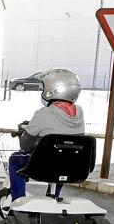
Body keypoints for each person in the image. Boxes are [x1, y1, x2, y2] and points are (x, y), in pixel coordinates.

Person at [9, 68, 85, 201]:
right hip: (72, 167)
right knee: (64, 157)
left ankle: (18, 201)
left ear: (53, 89)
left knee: (15, 160)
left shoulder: (44, 113)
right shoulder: (79, 112)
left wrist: (28, 130)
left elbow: (25, 145)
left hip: (42, 167)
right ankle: (53, 196)